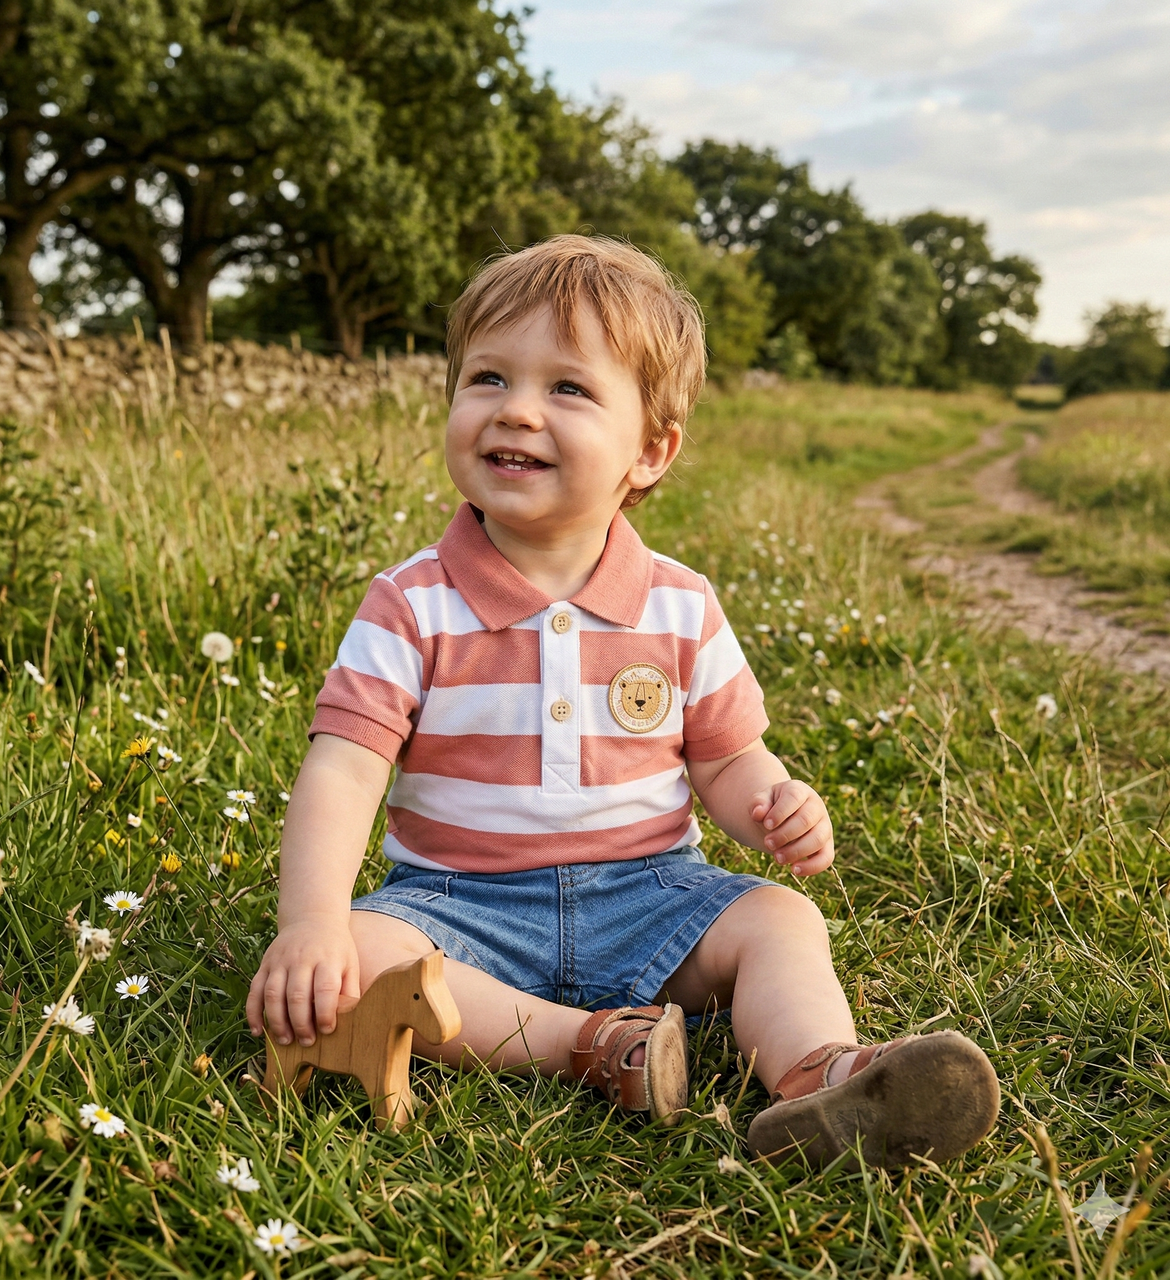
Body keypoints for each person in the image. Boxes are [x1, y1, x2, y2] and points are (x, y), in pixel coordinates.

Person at [246, 235, 1000, 1166]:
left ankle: (826, 1078)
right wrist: (312, 924)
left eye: (567, 389)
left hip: (650, 897)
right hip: (459, 907)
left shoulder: (680, 605)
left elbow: (725, 759)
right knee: (366, 960)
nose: (515, 411)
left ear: (650, 450)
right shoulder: (412, 602)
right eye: (486, 378)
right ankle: (598, 1048)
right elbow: (345, 769)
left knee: (780, 921)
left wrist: (772, 803)